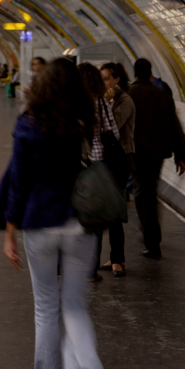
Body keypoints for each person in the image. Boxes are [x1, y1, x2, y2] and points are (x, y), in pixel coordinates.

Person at [1, 58, 108, 369]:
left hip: (40, 224)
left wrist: (10, 231)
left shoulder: (28, 124)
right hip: (80, 222)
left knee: (46, 310)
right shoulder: (85, 121)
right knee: (75, 306)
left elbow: (18, 181)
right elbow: (98, 161)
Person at [129, 58, 185, 259]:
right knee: (150, 193)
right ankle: (153, 237)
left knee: (142, 195)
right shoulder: (162, 95)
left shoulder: (128, 96)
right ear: (150, 72)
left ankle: (152, 243)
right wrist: (181, 156)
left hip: (136, 155)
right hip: (157, 154)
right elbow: (175, 126)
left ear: (135, 73)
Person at [76, 63, 121, 282]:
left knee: (80, 219)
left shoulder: (77, 104)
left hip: (82, 167)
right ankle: (91, 271)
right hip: (103, 169)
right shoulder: (103, 103)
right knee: (96, 220)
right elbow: (115, 134)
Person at [98, 63, 136, 277]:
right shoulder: (107, 101)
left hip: (120, 161)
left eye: (106, 78)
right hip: (107, 161)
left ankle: (118, 259)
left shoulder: (124, 101)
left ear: (116, 80)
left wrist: (108, 103)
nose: (103, 83)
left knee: (113, 212)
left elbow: (112, 127)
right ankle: (115, 257)